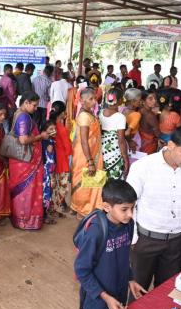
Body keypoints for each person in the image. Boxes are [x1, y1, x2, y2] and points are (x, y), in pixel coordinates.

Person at [127, 125, 181, 290]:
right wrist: (133, 240)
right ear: (171, 146)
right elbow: (129, 205)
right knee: (138, 291)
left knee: (166, 291)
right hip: (145, 241)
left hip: (177, 242)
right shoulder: (143, 167)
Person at [74, 179, 146, 309]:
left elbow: (124, 258)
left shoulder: (128, 225)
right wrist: (106, 298)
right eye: (124, 209)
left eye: (133, 208)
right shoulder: (95, 232)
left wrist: (130, 280)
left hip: (119, 295)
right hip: (97, 301)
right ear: (107, 207)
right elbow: (81, 270)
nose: (130, 214)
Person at [9, 91, 49, 230]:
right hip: (25, 162)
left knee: (25, 192)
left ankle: (21, 219)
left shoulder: (18, 113)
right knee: (27, 192)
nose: (36, 108)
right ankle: (26, 220)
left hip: (22, 160)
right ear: (26, 102)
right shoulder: (23, 117)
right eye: (34, 105)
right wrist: (41, 136)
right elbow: (24, 139)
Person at [71, 88, 104, 218]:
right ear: (82, 101)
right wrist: (90, 161)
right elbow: (84, 140)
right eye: (91, 99)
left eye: (94, 98)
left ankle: (91, 208)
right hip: (86, 155)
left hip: (94, 153)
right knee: (84, 182)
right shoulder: (84, 116)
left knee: (92, 181)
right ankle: (82, 209)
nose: (94, 101)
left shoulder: (89, 113)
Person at [100, 89, 129, 179]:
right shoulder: (120, 117)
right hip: (114, 152)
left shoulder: (100, 113)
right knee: (114, 178)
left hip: (101, 150)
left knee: (103, 178)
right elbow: (121, 141)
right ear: (120, 101)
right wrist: (125, 158)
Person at [51, 101, 72, 215]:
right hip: (62, 159)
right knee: (63, 184)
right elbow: (68, 148)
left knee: (54, 183)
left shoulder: (51, 125)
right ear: (63, 113)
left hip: (53, 158)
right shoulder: (62, 128)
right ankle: (60, 205)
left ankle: (54, 205)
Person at [41, 120, 57, 225]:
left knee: (45, 193)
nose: (54, 131)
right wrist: (52, 177)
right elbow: (50, 160)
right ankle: (45, 216)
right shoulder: (49, 143)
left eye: (54, 129)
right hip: (47, 172)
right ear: (44, 131)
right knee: (46, 193)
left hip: (43, 171)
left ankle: (44, 214)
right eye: (50, 129)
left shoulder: (42, 141)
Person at [139, 90, 160, 154]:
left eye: (155, 98)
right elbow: (157, 133)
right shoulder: (150, 115)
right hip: (150, 144)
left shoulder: (140, 110)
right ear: (143, 101)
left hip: (141, 141)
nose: (154, 101)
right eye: (150, 99)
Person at [32, 64, 53, 129]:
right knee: (43, 123)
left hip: (34, 105)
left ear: (44, 71)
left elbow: (32, 91)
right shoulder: (49, 82)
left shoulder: (34, 79)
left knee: (35, 122)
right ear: (50, 73)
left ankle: (35, 136)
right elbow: (50, 95)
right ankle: (41, 136)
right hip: (44, 105)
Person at [122, 88, 142, 153]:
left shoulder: (121, 109)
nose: (141, 102)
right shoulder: (136, 114)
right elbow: (127, 133)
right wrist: (130, 142)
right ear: (132, 101)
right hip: (133, 139)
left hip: (122, 141)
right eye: (139, 101)